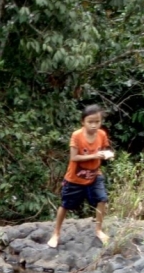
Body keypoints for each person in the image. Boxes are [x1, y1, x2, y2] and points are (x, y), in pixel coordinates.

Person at [47, 105, 114, 249]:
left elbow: (104, 149)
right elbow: (74, 157)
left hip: (95, 174)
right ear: (83, 122)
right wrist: (94, 155)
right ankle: (56, 233)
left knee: (102, 199)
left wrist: (107, 154)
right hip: (75, 178)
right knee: (65, 205)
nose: (94, 125)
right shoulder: (77, 135)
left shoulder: (101, 134)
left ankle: (98, 230)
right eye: (90, 122)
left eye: (97, 121)